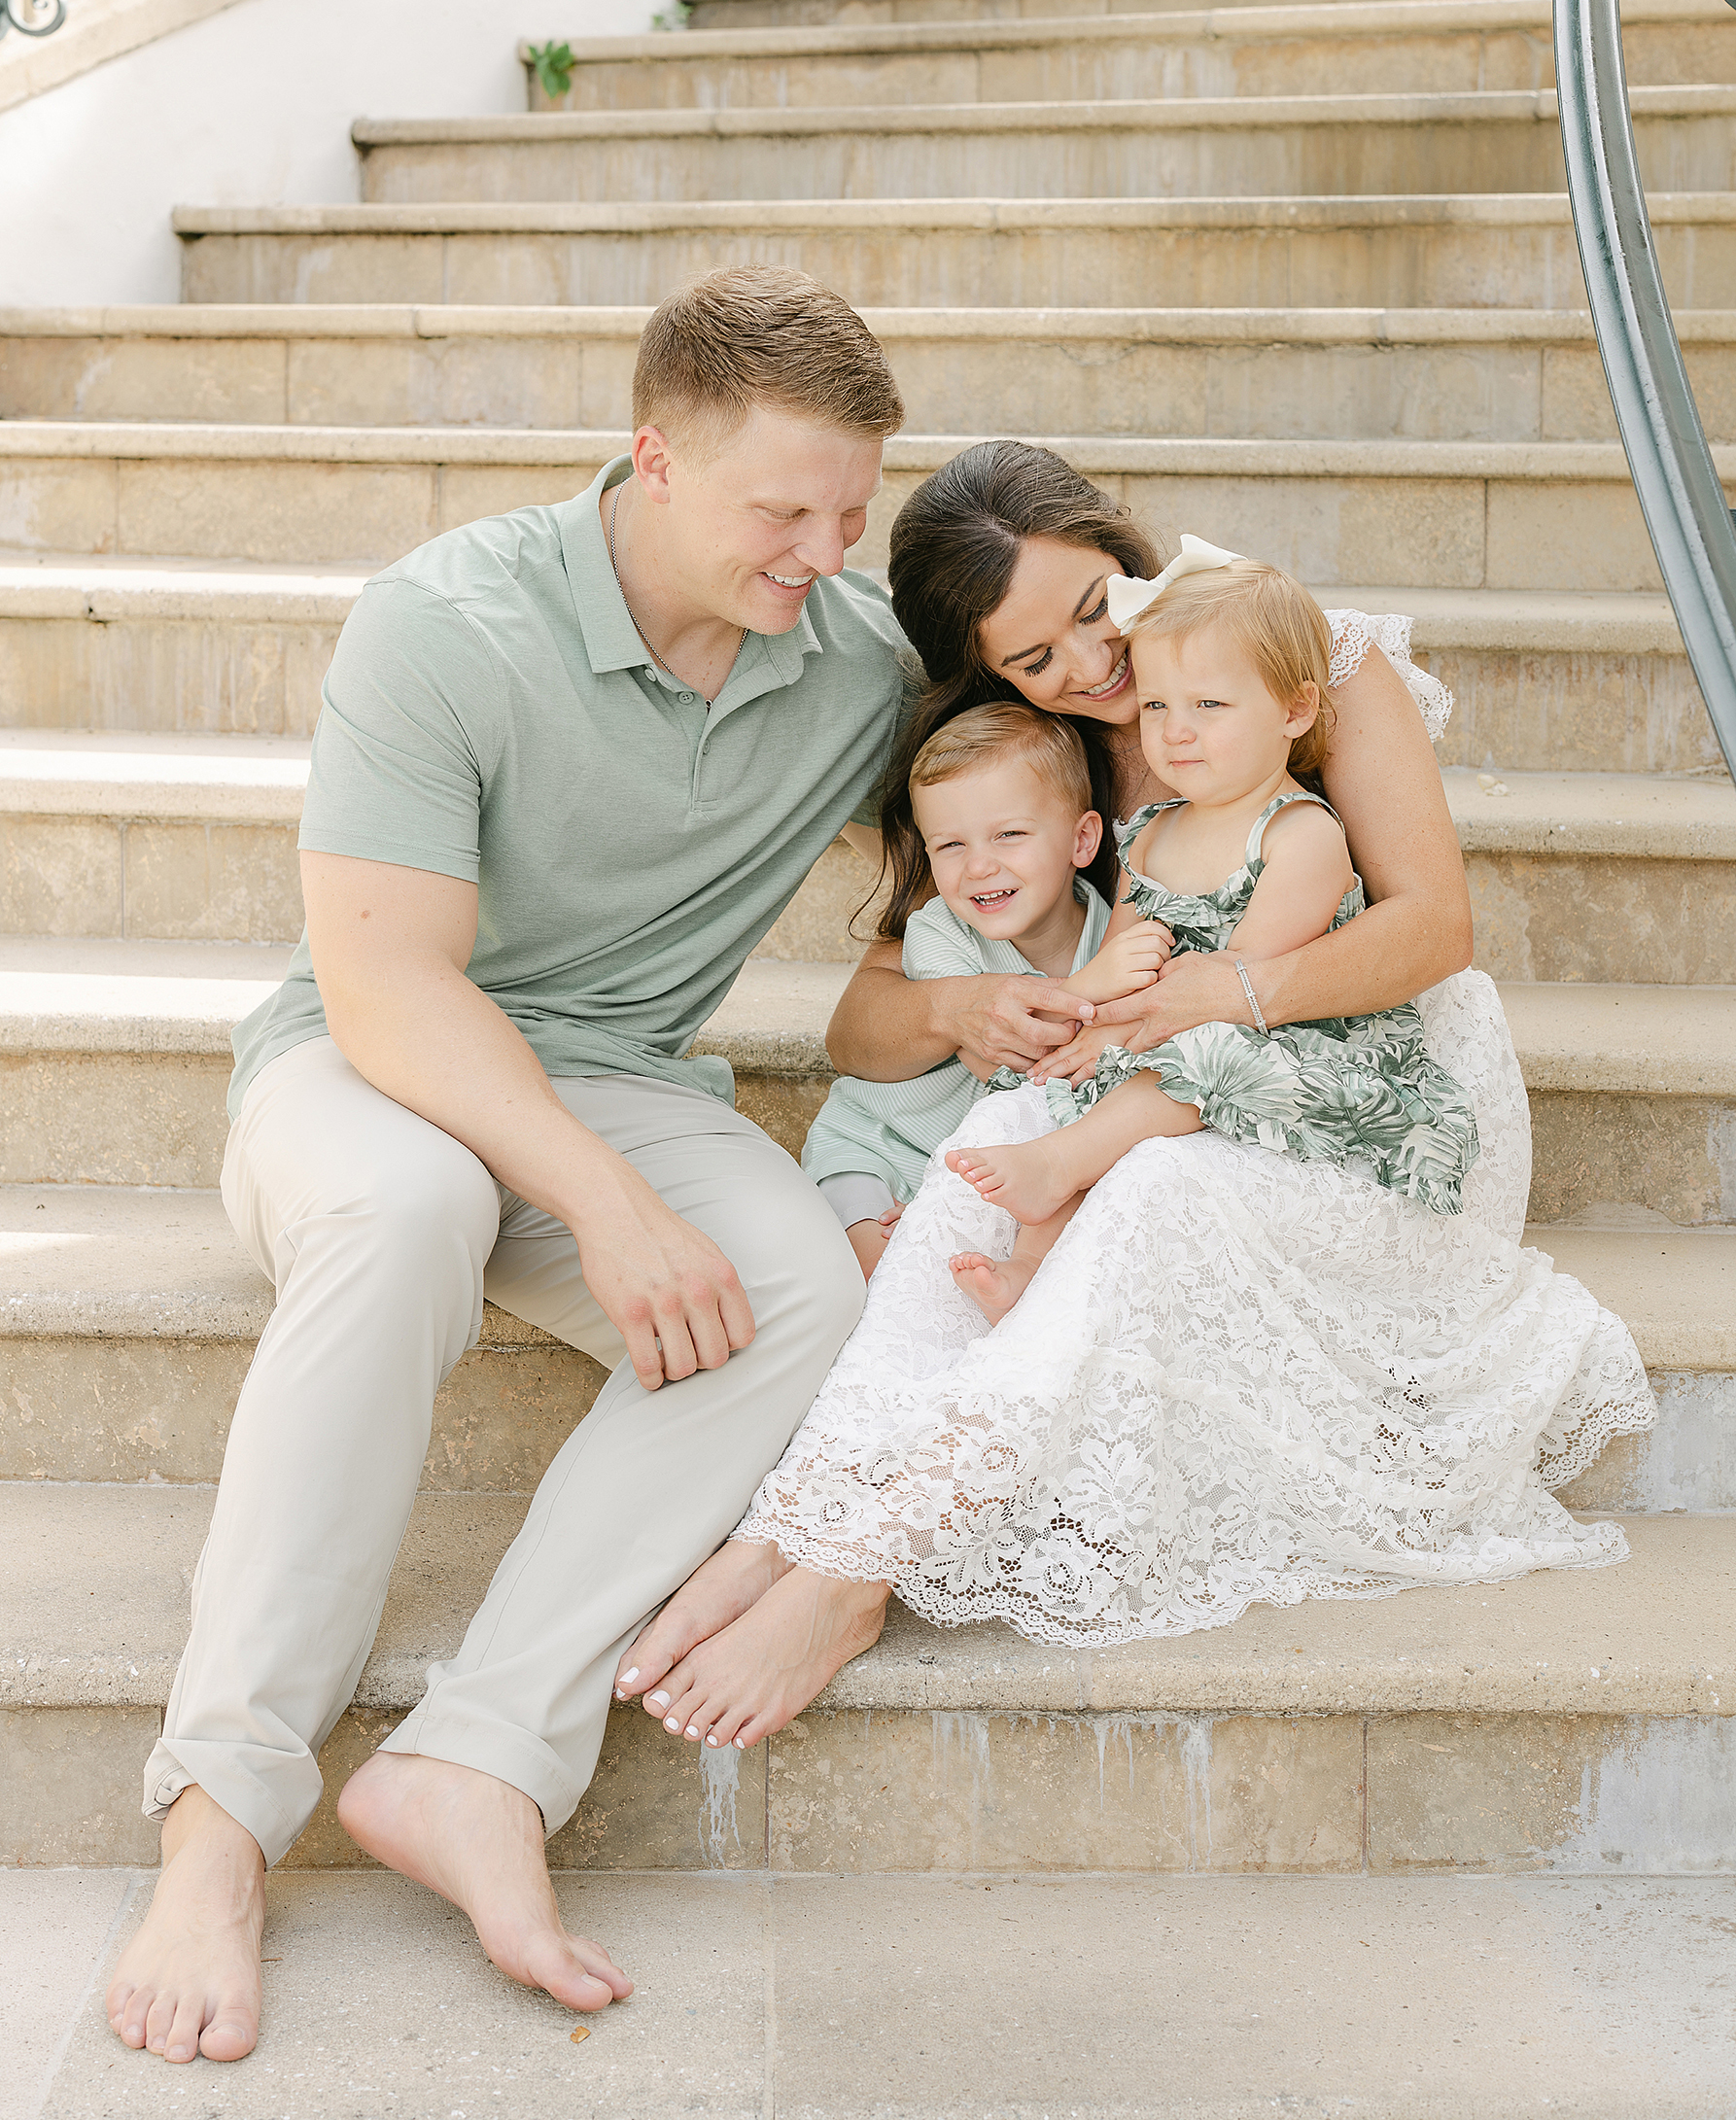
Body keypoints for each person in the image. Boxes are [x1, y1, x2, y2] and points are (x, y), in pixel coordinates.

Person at [105, 267, 909, 2068]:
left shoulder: (854, 663)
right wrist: (611, 1207)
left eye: (852, 514)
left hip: (619, 1077)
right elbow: (390, 982)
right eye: (784, 511)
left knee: (800, 1286)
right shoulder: (446, 621)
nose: (822, 550)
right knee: (409, 1207)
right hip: (362, 1066)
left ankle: (476, 1762)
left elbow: (1075, 733)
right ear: (653, 458)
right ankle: (218, 1825)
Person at [608, 439, 1656, 1758]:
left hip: (1354, 1084)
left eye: (1094, 611)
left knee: (1147, 1189)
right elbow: (865, 1026)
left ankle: (844, 1579)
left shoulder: (1291, 664)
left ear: (1122, 551)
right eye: (1034, 659)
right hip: (1151, 1065)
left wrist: (1214, 1002)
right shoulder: (1032, 765)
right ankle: (786, 1524)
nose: (1092, 668)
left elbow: (1434, 926)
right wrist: (962, 1010)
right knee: (986, 1150)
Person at [945, 539, 1481, 1311]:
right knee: (1076, 1078)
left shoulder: (1299, 834)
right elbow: (1122, 952)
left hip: (1278, 1029)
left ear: (1294, 710)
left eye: (1208, 707)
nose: (1175, 732)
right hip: (1177, 1019)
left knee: (1200, 1058)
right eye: (1158, 706)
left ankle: (1058, 1165)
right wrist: (1092, 1017)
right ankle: (1031, 1264)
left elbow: (1239, 982)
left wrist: (1129, 1029)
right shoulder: (1154, 829)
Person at [802, 701, 1147, 1284]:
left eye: (1008, 835)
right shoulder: (939, 933)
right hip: (883, 1147)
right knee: (883, 1273)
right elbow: (1006, 1057)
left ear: (1083, 840)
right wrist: (1097, 988)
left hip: (983, 1162)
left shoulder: (1108, 928)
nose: (980, 867)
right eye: (951, 846)